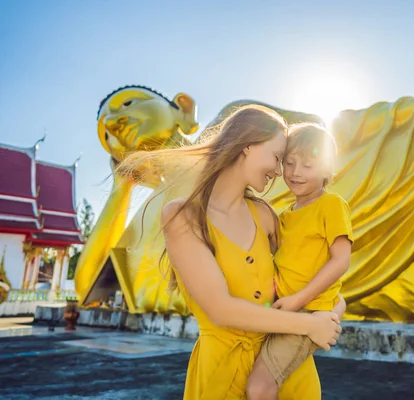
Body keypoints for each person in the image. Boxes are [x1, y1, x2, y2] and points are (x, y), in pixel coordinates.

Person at [119, 105, 343, 399]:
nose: (279, 171)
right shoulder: (183, 216)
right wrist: (310, 324)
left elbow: (314, 276)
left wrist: (333, 314)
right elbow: (220, 309)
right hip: (221, 377)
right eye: (277, 158)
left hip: (284, 373)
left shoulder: (265, 216)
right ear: (247, 146)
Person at [246, 123, 353, 399]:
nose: (295, 172)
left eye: (308, 165)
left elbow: (341, 261)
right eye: (290, 163)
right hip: (283, 311)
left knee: (259, 387)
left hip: (308, 313)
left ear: (328, 169)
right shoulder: (284, 216)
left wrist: (299, 299)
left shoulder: (331, 205)